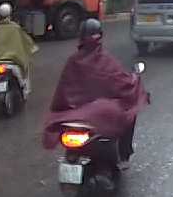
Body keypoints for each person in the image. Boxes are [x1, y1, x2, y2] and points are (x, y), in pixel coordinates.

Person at [43, 19, 147, 167]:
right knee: (129, 113)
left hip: (73, 114)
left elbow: (62, 92)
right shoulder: (105, 59)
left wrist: (61, 110)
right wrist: (135, 79)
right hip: (99, 114)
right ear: (100, 36)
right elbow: (122, 83)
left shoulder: (73, 60)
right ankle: (123, 155)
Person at [0, 3, 38, 96]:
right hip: (14, 60)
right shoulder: (15, 27)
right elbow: (26, 40)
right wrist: (32, 48)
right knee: (25, 67)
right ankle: (25, 89)